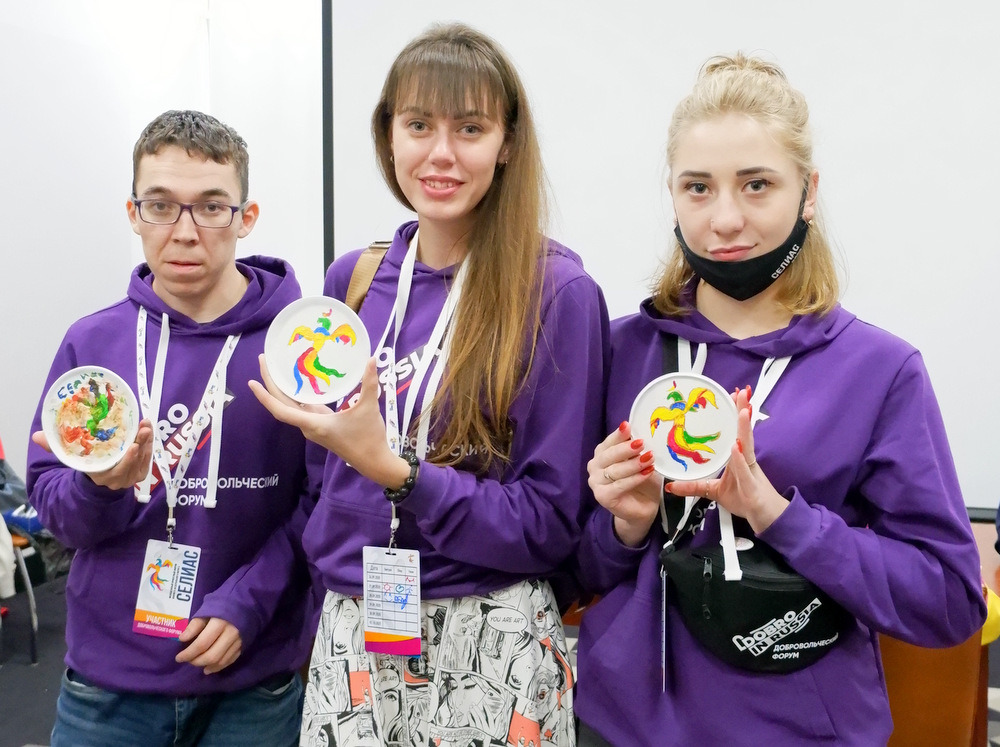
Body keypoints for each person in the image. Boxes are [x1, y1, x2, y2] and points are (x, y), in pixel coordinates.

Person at [573, 55, 987, 745]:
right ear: (672, 194)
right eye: (698, 188)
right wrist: (625, 526)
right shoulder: (618, 351)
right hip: (622, 727)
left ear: (808, 191)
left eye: (757, 184)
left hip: (802, 731)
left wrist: (776, 514)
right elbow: (572, 573)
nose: (725, 218)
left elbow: (947, 600)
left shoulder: (880, 371)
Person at [251, 23, 608, 747]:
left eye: (470, 128)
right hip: (355, 631)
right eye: (418, 125)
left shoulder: (556, 292)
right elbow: (324, 484)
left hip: (489, 634)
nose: (440, 152)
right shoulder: (353, 280)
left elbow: (548, 522)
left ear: (507, 143)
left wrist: (400, 473)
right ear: (388, 136)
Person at [26, 110, 319, 746]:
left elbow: (322, 505)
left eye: (211, 207)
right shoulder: (92, 344)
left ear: (246, 217)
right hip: (108, 689)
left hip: (253, 685)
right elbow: (58, 516)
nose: (185, 232)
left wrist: (251, 600)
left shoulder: (299, 347)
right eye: (160, 206)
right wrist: (96, 487)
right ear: (133, 214)